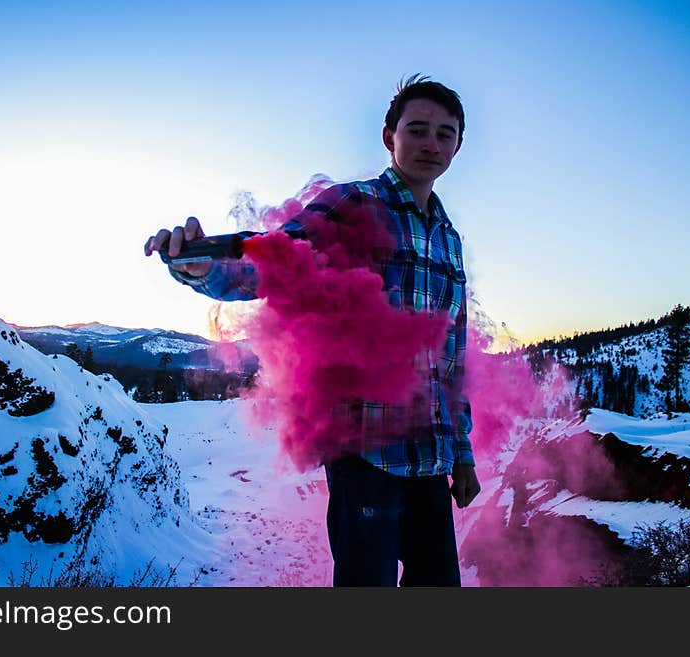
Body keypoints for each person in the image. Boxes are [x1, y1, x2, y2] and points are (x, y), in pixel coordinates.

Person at [144, 74, 480, 586]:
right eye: (417, 129)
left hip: (432, 461)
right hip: (365, 454)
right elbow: (276, 258)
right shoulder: (353, 204)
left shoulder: (449, 240)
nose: (430, 144)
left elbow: (452, 360)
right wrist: (203, 265)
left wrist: (464, 456)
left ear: (458, 146)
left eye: (444, 133)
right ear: (389, 136)